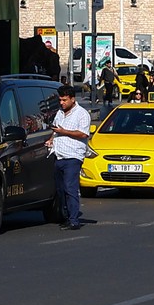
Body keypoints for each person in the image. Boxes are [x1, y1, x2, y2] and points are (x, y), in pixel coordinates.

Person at [49, 85, 91, 229]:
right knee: (60, 190)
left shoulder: (82, 114)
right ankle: (66, 216)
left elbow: (83, 134)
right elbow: (55, 129)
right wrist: (51, 139)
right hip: (58, 155)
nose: (62, 103)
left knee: (70, 187)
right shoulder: (60, 113)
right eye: (60, 100)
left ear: (73, 99)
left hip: (73, 157)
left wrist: (64, 131)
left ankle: (74, 220)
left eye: (64, 100)